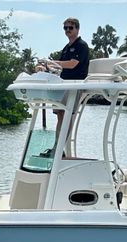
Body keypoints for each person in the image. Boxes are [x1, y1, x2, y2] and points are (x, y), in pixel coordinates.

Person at [50, 18, 90, 153]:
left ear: (77, 29)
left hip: (74, 84)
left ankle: (60, 147)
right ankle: (57, 146)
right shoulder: (66, 48)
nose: (67, 30)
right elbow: (60, 66)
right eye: (65, 28)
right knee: (60, 114)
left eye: (70, 28)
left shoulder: (81, 45)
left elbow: (73, 63)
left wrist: (54, 62)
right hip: (63, 83)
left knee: (67, 114)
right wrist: (46, 66)